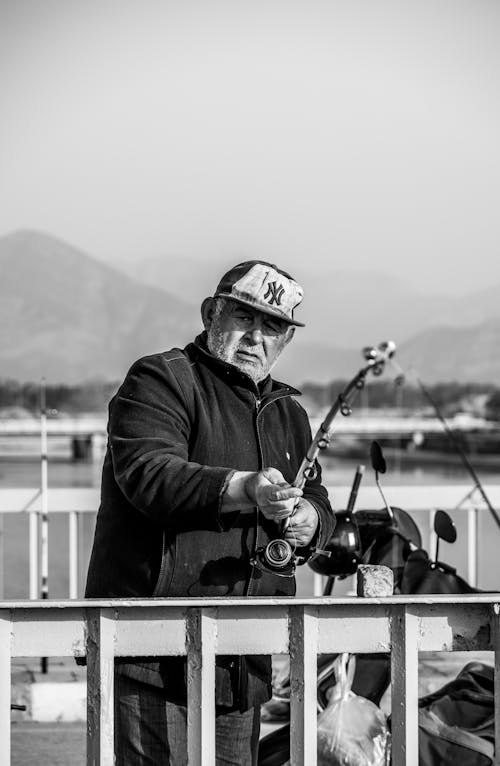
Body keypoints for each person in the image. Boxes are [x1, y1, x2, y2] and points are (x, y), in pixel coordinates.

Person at [85, 259, 335, 765]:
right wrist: (244, 487)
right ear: (210, 314)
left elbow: (319, 498)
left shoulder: (290, 413)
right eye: (243, 318)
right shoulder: (160, 379)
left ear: (286, 340)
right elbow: (150, 474)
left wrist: (311, 520)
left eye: (273, 326)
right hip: (150, 651)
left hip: (242, 659)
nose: (255, 337)